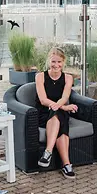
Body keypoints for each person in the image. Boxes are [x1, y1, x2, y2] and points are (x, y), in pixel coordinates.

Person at [35, 48, 79, 178]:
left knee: (58, 117)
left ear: (63, 62)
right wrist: (65, 108)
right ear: (49, 61)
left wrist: (61, 106)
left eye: (59, 62)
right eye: (53, 61)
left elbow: (64, 98)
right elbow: (43, 100)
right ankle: (66, 165)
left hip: (59, 110)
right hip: (43, 112)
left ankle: (47, 153)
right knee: (58, 116)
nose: (56, 65)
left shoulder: (68, 78)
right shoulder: (40, 76)